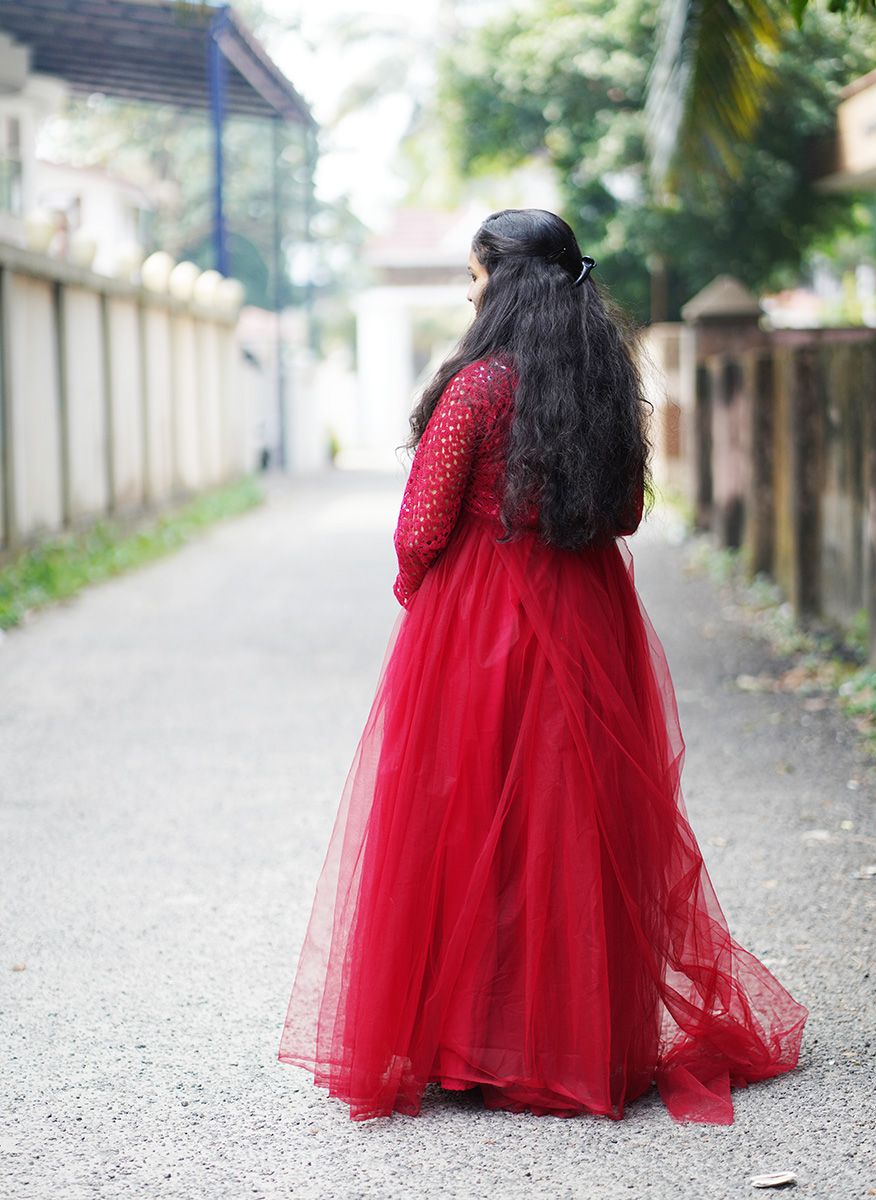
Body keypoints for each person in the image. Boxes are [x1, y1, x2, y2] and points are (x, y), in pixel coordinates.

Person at [277, 208, 808, 1125]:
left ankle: (473, 1043)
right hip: (587, 614)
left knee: (469, 815)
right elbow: (627, 515)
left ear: (504, 280)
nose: (469, 291)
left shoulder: (478, 386)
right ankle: (572, 1041)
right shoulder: (604, 383)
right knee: (570, 824)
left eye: (474, 274)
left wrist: (422, 595)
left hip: (483, 618)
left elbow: (420, 526)